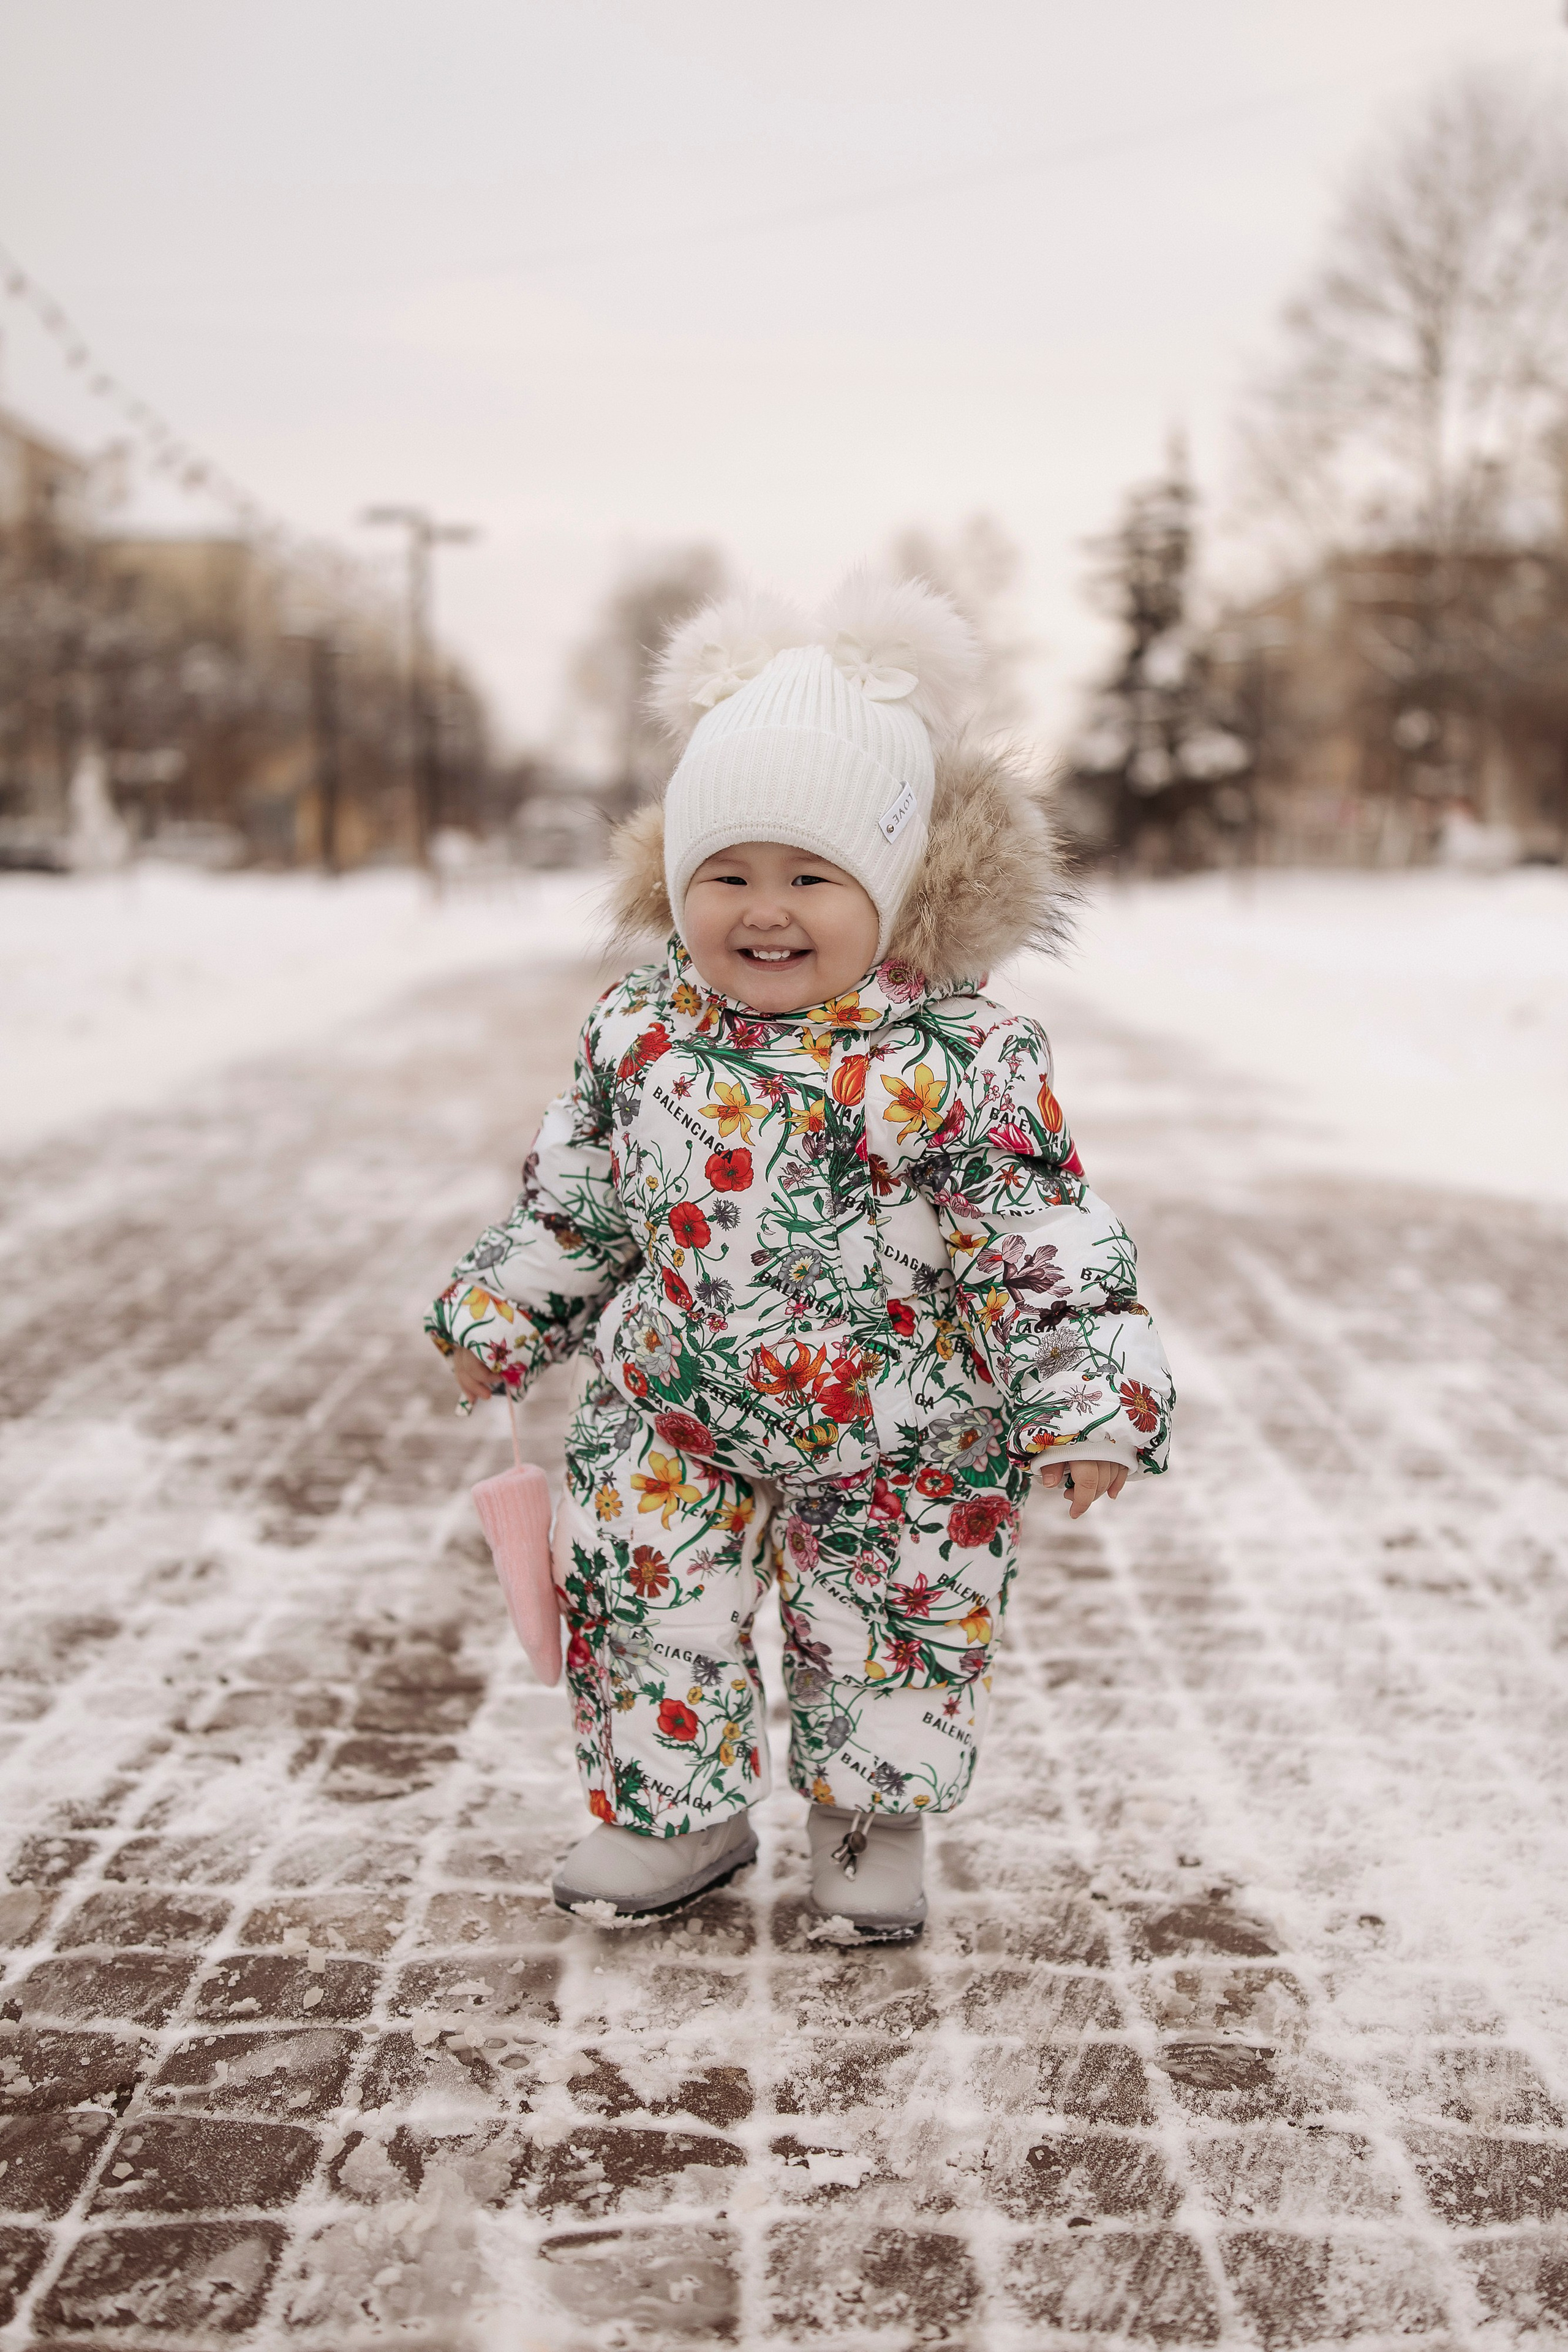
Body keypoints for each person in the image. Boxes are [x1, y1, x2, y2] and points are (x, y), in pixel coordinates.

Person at [426, 571, 1174, 1940]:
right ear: (675, 880)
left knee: (892, 1625)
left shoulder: (955, 1055)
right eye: (727, 874)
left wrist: (1084, 1402)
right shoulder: (635, 1032)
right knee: (644, 1602)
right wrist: (503, 1308)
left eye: (808, 877)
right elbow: (579, 1199)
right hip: (672, 1412)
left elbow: (1038, 1236)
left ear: (888, 887)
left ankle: (865, 1828)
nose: (762, 910)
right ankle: (676, 1815)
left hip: (899, 1426)